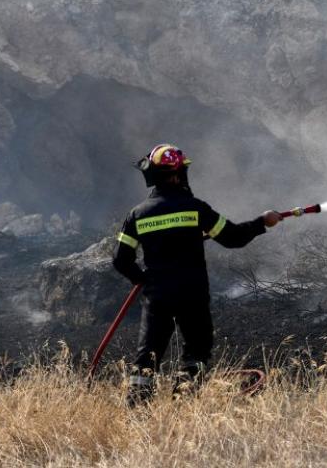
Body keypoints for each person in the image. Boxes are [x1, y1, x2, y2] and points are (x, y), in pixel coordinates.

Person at [112, 143, 282, 405]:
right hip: (192, 293)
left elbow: (121, 260)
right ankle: (184, 405)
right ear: (180, 174)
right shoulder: (195, 209)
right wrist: (262, 222)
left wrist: (144, 279)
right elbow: (233, 238)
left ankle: (136, 412)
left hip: (158, 296)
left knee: (147, 356)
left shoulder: (137, 214)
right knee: (197, 352)